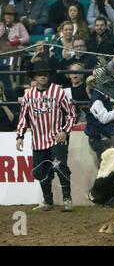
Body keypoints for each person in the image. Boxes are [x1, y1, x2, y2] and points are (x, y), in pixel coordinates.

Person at [16, 60, 76, 211]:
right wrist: (19, 136)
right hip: (38, 141)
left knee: (60, 167)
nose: (43, 76)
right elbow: (23, 118)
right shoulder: (29, 96)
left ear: (49, 75)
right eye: (39, 74)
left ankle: (67, 199)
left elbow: (71, 114)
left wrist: (65, 131)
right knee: (40, 172)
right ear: (34, 77)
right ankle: (48, 201)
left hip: (57, 138)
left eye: (45, 74)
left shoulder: (58, 91)